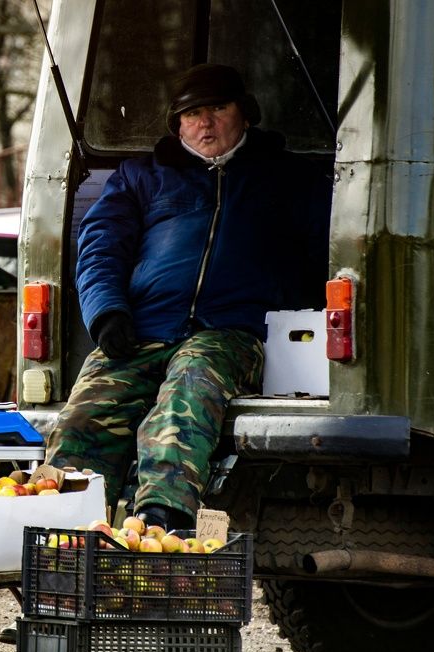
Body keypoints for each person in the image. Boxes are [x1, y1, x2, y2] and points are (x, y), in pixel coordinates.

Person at [45, 63, 331, 531]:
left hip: (230, 334)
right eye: (192, 113)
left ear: (245, 114)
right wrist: (107, 313)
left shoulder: (290, 179)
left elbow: (327, 258)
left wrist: (295, 326)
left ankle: (160, 527)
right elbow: (100, 247)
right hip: (139, 331)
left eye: (218, 108)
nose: (205, 123)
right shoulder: (140, 177)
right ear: (177, 122)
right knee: (82, 417)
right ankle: (65, 534)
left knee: (185, 400)